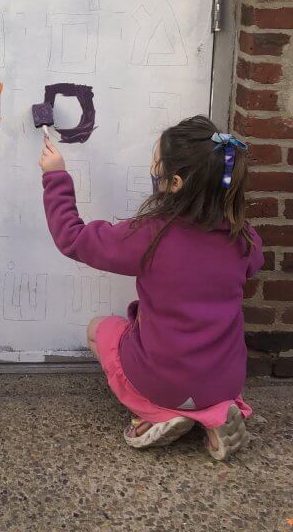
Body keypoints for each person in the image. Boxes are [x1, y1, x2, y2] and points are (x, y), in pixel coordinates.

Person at [40, 114, 263, 461]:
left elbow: (73, 238)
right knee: (204, 379)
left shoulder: (150, 235)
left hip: (163, 378)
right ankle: (215, 416)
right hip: (224, 380)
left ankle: (157, 411)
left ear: (173, 182)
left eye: (155, 163)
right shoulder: (243, 238)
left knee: (99, 329)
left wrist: (55, 176)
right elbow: (255, 263)